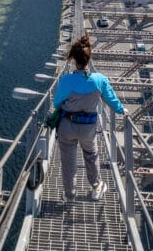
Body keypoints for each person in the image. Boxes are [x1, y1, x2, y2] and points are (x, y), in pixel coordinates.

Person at [53, 35, 124, 202]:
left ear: (73, 60)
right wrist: (122, 110)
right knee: (91, 156)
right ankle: (96, 187)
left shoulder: (66, 80)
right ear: (88, 59)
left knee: (68, 162)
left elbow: (57, 103)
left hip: (67, 126)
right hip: (88, 128)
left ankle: (69, 194)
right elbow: (113, 101)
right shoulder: (100, 80)